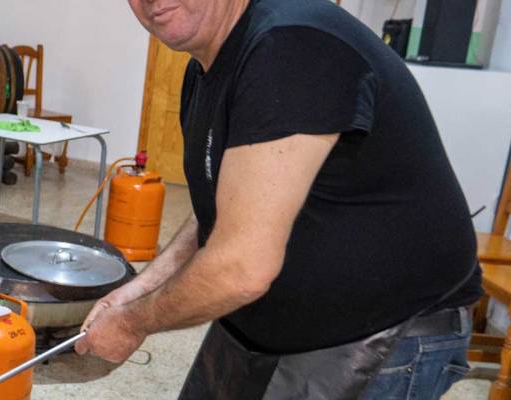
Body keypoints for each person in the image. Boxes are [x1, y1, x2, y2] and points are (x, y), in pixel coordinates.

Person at [76, 0, 483, 398]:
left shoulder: (291, 45)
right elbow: (226, 203)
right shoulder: (207, 67)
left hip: (378, 336)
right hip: (265, 332)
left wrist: (133, 322)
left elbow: (241, 268)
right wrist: (136, 292)